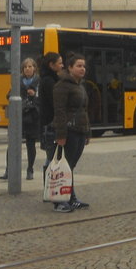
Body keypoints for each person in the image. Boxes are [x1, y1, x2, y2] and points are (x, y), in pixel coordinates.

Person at [52, 52, 90, 212]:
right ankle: (60, 200)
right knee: (65, 167)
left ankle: (71, 198)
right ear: (70, 68)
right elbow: (59, 111)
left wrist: (88, 133)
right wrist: (61, 135)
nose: (82, 69)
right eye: (79, 66)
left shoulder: (80, 85)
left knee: (71, 166)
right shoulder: (62, 86)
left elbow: (84, 110)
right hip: (69, 130)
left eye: (84, 66)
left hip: (80, 130)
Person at [0, 57, 40, 181]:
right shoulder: (17, 81)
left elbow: (44, 99)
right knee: (12, 143)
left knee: (30, 144)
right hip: (19, 116)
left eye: (30, 66)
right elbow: (9, 94)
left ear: (34, 68)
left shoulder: (39, 82)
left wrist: (35, 96)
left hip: (32, 117)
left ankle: (30, 169)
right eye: (25, 67)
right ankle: (9, 169)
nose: (28, 69)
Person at [37, 51, 63, 180]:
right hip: (50, 124)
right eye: (60, 63)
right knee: (51, 157)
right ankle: (49, 186)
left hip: (48, 122)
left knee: (51, 157)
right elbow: (55, 102)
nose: (62, 65)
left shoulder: (49, 79)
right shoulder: (49, 81)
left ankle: (49, 187)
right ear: (51, 65)